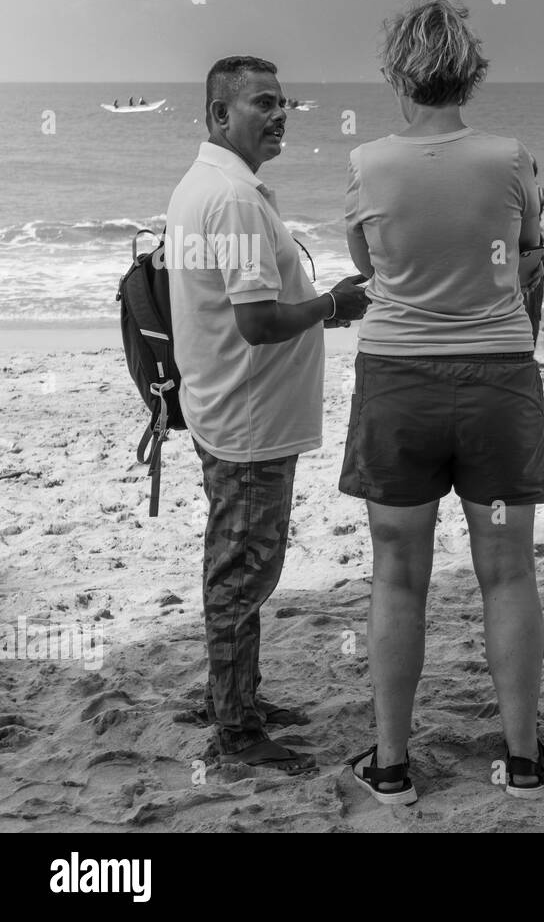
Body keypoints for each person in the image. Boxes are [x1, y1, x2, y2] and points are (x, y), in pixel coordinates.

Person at [340, 0, 544, 803]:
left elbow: (370, 261)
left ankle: (393, 765)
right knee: (507, 571)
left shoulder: (368, 162)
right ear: (467, 70)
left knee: (397, 574)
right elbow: (532, 258)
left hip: (398, 381)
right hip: (497, 384)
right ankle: (522, 760)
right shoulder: (511, 157)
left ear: (398, 70)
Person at [167, 55, 370, 775]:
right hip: (247, 419)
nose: (280, 114)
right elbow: (256, 321)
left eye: (284, 103)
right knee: (243, 571)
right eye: (263, 103)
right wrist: (334, 305)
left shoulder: (207, 186)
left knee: (238, 562)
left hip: (224, 407)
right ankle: (235, 729)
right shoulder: (236, 200)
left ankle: (240, 698)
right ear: (221, 116)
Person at [524, 156, 544, 345]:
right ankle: (530, 352)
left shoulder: (504, 192)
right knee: (532, 309)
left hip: (504, 257)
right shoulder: (542, 195)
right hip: (533, 257)